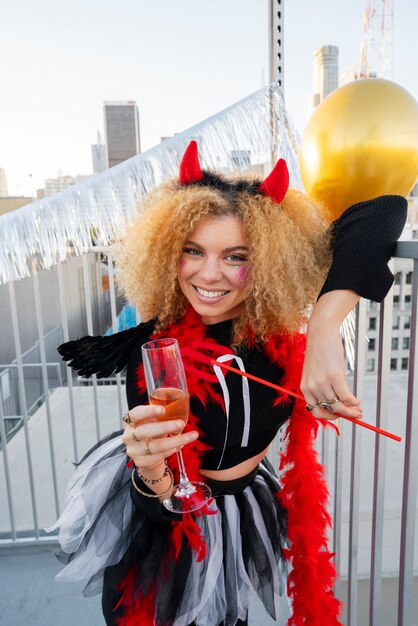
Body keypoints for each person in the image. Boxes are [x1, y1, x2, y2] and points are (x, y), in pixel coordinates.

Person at [50, 141, 407, 626]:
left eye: (236, 256)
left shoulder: (281, 338)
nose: (209, 274)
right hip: (172, 521)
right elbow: (162, 498)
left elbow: (386, 210)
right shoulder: (159, 351)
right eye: (192, 251)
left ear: (269, 261)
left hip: (244, 509)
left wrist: (325, 327)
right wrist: (150, 468)